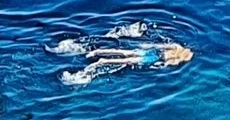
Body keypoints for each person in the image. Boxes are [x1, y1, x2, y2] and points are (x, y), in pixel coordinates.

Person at [55, 33, 194, 86]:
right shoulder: (178, 60)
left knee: (123, 52)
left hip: (152, 52)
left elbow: (159, 45)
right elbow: (164, 65)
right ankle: (103, 61)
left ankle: (96, 51)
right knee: (125, 61)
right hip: (151, 59)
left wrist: (144, 45)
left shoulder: (176, 46)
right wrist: (156, 67)